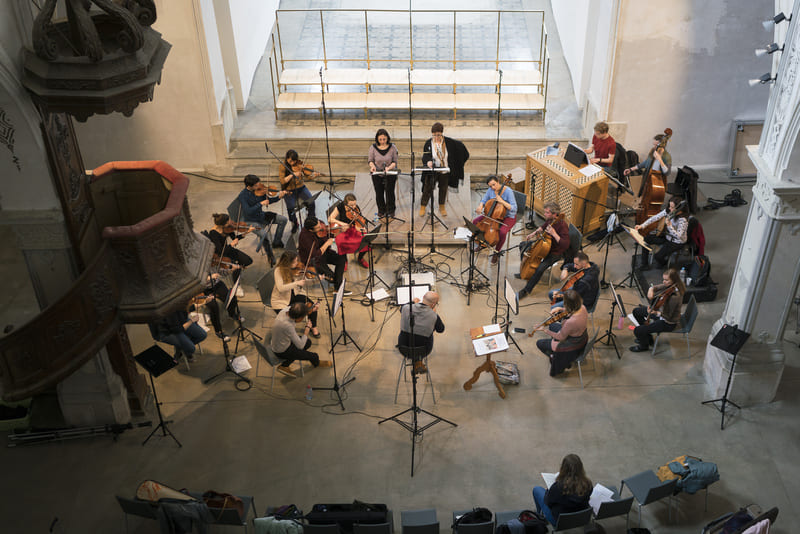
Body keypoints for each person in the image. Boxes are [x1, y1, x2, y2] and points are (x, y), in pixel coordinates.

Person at [516, 202, 571, 300]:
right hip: (544, 245)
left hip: (555, 252)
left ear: (554, 214)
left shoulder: (562, 225)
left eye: (547, 213)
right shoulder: (550, 220)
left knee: (540, 269)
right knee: (523, 246)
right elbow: (543, 226)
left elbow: (565, 244)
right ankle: (525, 271)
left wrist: (554, 234)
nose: (544, 214)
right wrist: (533, 233)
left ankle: (526, 290)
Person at [535, 290, 589, 377]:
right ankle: (555, 353)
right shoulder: (583, 307)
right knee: (552, 325)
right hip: (581, 336)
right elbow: (572, 310)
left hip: (572, 342)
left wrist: (544, 330)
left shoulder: (570, 322)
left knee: (540, 343)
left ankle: (554, 356)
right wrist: (560, 309)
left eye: (564, 303)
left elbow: (561, 337)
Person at [420, 122, 469, 217]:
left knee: (443, 189)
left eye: (438, 135)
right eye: (434, 135)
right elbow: (425, 156)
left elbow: (461, 149)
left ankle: (442, 206)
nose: (436, 137)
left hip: (445, 171)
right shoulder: (428, 143)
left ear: (442, 133)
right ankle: (423, 206)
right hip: (433, 171)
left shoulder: (448, 142)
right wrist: (428, 161)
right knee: (427, 189)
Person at [630, 268, 685, 352]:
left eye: (666, 280)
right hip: (661, 314)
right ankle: (647, 338)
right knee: (636, 311)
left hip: (668, 322)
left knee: (637, 330)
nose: (664, 282)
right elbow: (656, 287)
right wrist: (651, 289)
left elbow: (668, 316)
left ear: (673, 280)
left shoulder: (675, 297)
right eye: (663, 279)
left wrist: (655, 312)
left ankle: (644, 346)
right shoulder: (670, 286)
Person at [271, 301, 331, 378]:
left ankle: (286, 364)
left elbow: (301, 310)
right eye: (302, 317)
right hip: (282, 350)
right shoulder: (288, 326)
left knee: (308, 342)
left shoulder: (285, 311)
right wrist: (307, 329)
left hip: (278, 341)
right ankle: (317, 363)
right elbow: (300, 346)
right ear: (299, 318)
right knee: (314, 356)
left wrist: (311, 309)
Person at [532, 454, 593, 526]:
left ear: (563, 468)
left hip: (560, 522)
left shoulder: (558, 487)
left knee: (537, 490)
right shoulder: (588, 484)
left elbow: (548, 502)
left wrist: (548, 491)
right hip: (580, 518)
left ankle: (540, 519)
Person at [272, 251, 320, 338]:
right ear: (287, 263)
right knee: (293, 315)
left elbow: (304, 282)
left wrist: (316, 280)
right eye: (294, 262)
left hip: (294, 294)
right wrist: (296, 283)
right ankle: (291, 335)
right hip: (280, 301)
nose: (297, 263)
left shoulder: (295, 270)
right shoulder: (278, 271)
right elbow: (281, 288)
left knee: (312, 305)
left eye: (297, 261)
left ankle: (313, 326)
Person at [237, 174, 288, 255]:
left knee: (283, 219)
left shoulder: (259, 191)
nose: (259, 186)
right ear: (250, 186)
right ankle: (269, 254)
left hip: (261, 215)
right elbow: (248, 211)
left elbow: (269, 201)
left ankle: (277, 242)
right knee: (264, 234)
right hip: (251, 220)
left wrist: (279, 197)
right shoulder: (243, 196)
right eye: (256, 185)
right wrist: (260, 204)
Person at [298, 216, 350, 295]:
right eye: (318, 227)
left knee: (341, 259)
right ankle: (337, 284)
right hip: (314, 260)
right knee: (333, 278)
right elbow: (315, 254)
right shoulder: (305, 237)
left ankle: (338, 289)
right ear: (311, 230)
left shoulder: (320, 223)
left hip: (325, 253)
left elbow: (328, 233)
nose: (321, 227)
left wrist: (339, 231)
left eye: (319, 224)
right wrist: (327, 243)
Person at [473, 175, 518, 265]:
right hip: (492, 215)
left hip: (508, 216)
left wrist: (502, 201)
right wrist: (480, 206)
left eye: (494, 185)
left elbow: (514, 208)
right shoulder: (491, 190)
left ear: (498, 181)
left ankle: (496, 252)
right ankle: (482, 243)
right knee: (475, 222)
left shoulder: (508, 191)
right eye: (490, 186)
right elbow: (484, 199)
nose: (493, 188)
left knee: (502, 232)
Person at [398, 291, 444, 375]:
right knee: (430, 331)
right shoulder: (434, 316)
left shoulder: (406, 308)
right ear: (434, 304)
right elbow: (441, 329)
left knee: (412, 331)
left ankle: (417, 362)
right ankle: (418, 362)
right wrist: (433, 313)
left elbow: (401, 309)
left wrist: (413, 302)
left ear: (423, 297)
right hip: (424, 350)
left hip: (403, 348)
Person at [635, 195, 688, 268]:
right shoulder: (669, 211)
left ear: (679, 209)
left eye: (672, 207)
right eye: (669, 206)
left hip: (676, 242)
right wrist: (642, 225)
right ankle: (644, 265)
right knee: (645, 240)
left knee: (657, 257)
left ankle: (664, 263)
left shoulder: (683, 220)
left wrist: (669, 226)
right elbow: (655, 217)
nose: (669, 208)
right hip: (667, 236)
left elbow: (678, 236)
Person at [191, 272, 242, 342]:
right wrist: (209, 277)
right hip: (202, 289)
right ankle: (218, 331)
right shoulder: (195, 264)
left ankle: (232, 313)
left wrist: (229, 269)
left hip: (216, 284)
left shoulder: (212, 262)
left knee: (231, 298)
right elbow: (195, 279)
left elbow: (223, 273)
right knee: (213, 306)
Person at [205, 213, 253, 283]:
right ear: (223, 224)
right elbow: (220, 251)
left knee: (248, 261)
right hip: (221, 255)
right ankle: (236, 282)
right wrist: (231, 244)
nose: (230, 222)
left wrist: (246, 232)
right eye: (228, 221)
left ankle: (237, 269)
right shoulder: (213, 233)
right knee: (236, 266)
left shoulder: (226, 228)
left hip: (228, 249)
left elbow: (234, 238)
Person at [279, 149, 318, 233]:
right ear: (287, 158)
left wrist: (312, 176)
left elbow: (307, 177)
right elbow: (282, 181)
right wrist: (292, 175)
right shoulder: (283, 166)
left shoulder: (300, 164)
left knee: (311, 202)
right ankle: (294, 222)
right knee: (291, 208)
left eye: (294, 161)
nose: (293, 163)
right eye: (290, 161)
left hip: (301, 187)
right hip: (289, 190)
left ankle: (310, 221)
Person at [328, 193, 369, 269]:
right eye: (351, 205)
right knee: (340, 242)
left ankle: (360, 258)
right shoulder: (340, 206)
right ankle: (344, 260)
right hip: (342, 229)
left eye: (355, 204)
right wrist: (342, 223)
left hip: (353, 228)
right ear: (346, 204)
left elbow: (358, 222)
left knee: (366, 240)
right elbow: (330, 219)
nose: (354, 207)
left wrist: (360, 228)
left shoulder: (356, 208)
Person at [368, 128, 399, 219]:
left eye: (384, 139)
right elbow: (370, 160)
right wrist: (372, 166)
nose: (382, 141)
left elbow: (395, 161)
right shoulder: (372, 148)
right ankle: (381, 210)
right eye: (380, 139)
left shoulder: (393, 147)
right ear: (377, 139)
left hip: (390, 173)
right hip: (377, 174)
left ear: (387, 138)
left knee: (390, 192)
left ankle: (391, 210)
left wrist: (389, 168)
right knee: (379, 193)